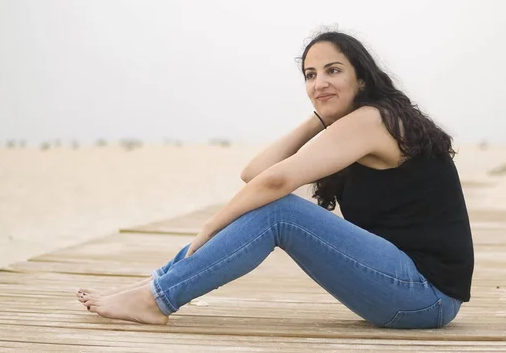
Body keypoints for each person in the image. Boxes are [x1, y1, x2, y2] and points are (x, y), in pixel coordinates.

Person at [77, 31, 474, 329]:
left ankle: (155, 296)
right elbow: (255, 173)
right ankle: (155, 289)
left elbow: (272, 183)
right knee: (271, 204)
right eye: (310, 75)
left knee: (279, 212)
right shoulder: (354, 124)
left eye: (334, 71)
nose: (320, 83)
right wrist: (319, 116)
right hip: (403, 288)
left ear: (363, 79)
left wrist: (211, 225)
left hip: (425, 296)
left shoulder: (375, 120)